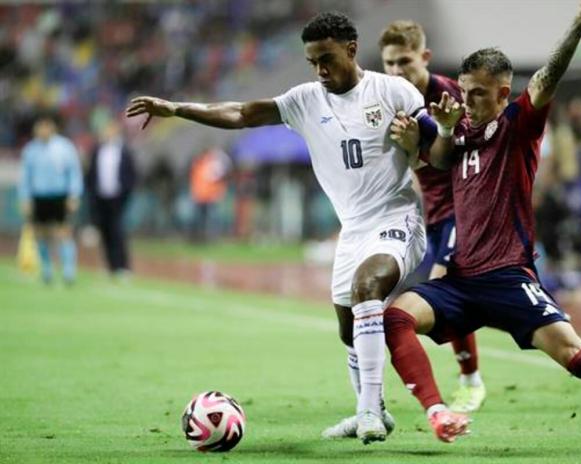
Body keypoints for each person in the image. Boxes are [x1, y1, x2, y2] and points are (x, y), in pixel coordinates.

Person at [387, 0, 581, 452]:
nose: (468, 100)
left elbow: (547, 77)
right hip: (463, 279)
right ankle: (439, 412)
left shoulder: (519, 125)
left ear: (503, 92)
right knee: (393, 316)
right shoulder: (460, 132)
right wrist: (448, 130)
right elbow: (435, 161)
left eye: (478, 93)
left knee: (577, 358)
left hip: (510, 278)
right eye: (465, 90)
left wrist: (578, 23)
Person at [126, 12, 427, 444]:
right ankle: (374, 407)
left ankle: (368, 415)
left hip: (398, 216)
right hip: (354, 229)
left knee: (367, 290)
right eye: (312, 62)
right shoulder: (306, 99)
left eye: (327, 58)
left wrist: (425, 139)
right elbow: (242, 112)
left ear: (352, 49)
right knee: (350, 328)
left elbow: (441, 152)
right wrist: (177, 109)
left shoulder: (394, 90)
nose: (320, 70)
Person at [378, 20, 486, 414]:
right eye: (388, 63)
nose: (395, 71)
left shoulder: (449, 95)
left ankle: (470, 380)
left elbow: (470, 153)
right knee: (459, 292)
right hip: (434, 213)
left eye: (403, 61)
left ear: (424, 57)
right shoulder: (388, 98)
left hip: (465, 206)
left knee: (444, 285)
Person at [18, 114, 83, 285]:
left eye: (45, 126)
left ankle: (69, 269)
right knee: (40, 234)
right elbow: (25, 177)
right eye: (39, 127)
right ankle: (47, 268)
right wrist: (25, 198)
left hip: (59, 195)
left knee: (63, 232)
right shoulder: (30, 150)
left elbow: (74, 173)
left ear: (52, 127)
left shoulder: (64, 147)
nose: (42, 130)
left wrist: (74, 195)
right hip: (39, 196)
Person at [85, 120, 137, 277]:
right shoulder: (97, 150)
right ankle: (110, 266)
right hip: (101, 197)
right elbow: (91, 174)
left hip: (118, 198)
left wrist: (125, 194)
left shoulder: (124, 151)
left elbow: (131, 175)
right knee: (105, 232)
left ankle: (123, 266)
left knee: (117, 232)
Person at [188, 147, 231, 242]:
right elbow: (196, 181)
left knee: (211, 219)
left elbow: (218, 178)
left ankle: (211, 237)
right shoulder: (199, 164)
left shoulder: (212, 164)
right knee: (199, 218)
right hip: (200, 195)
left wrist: (218, 192)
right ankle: (197, 237)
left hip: (210, 196)